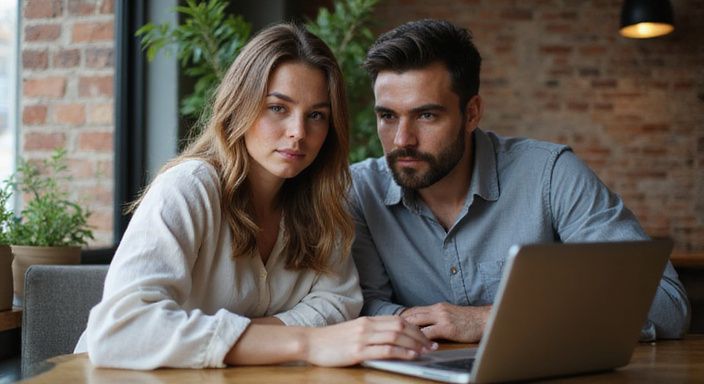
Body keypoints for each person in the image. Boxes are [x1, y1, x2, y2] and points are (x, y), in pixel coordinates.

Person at [74, 23, 435, 370]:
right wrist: (307, 342)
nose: (298, 133)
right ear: (239, 106)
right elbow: (120, 330)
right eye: (278, 108)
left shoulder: (324, 203)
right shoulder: (188, 188)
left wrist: (240, 338)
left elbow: (338, 304)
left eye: (316, 116)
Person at [350, 19, 690, 343]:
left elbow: (666, 303)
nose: (402, 140)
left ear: (471, 113)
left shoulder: (551, 174)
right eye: (388, 116)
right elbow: (363, 305)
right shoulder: (361, 191)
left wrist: (488, 319)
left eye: (426, 115)